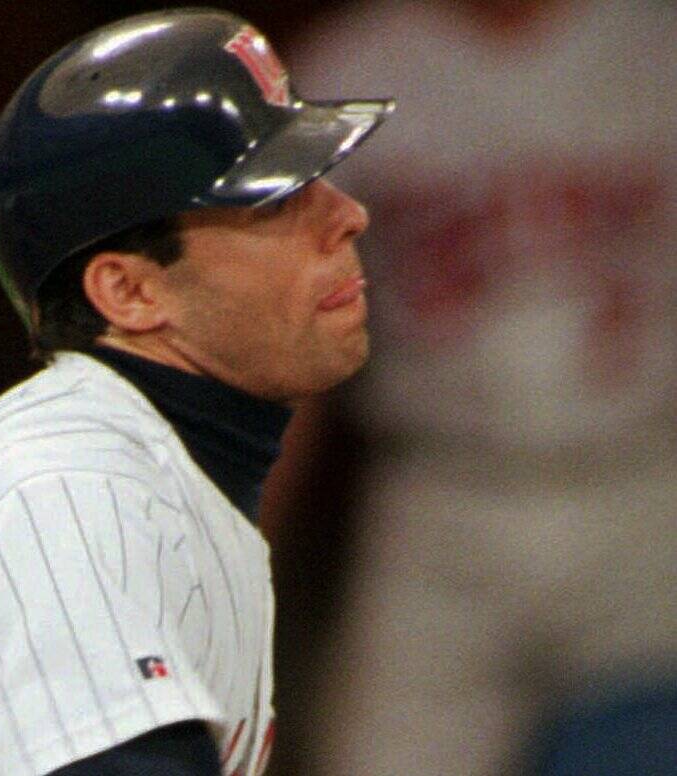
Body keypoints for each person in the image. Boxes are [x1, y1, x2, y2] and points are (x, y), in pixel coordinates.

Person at [0, 7, 393, 775]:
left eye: (323, 181)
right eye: (273, 201)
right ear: (127, 291)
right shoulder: (73, 494)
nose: (348, 217)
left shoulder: (145, 476)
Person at [281, 1, 677, 774]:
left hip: (646, 492)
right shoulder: (349, 65)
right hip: (437, 496)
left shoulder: (653, 39)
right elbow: (285, 337)